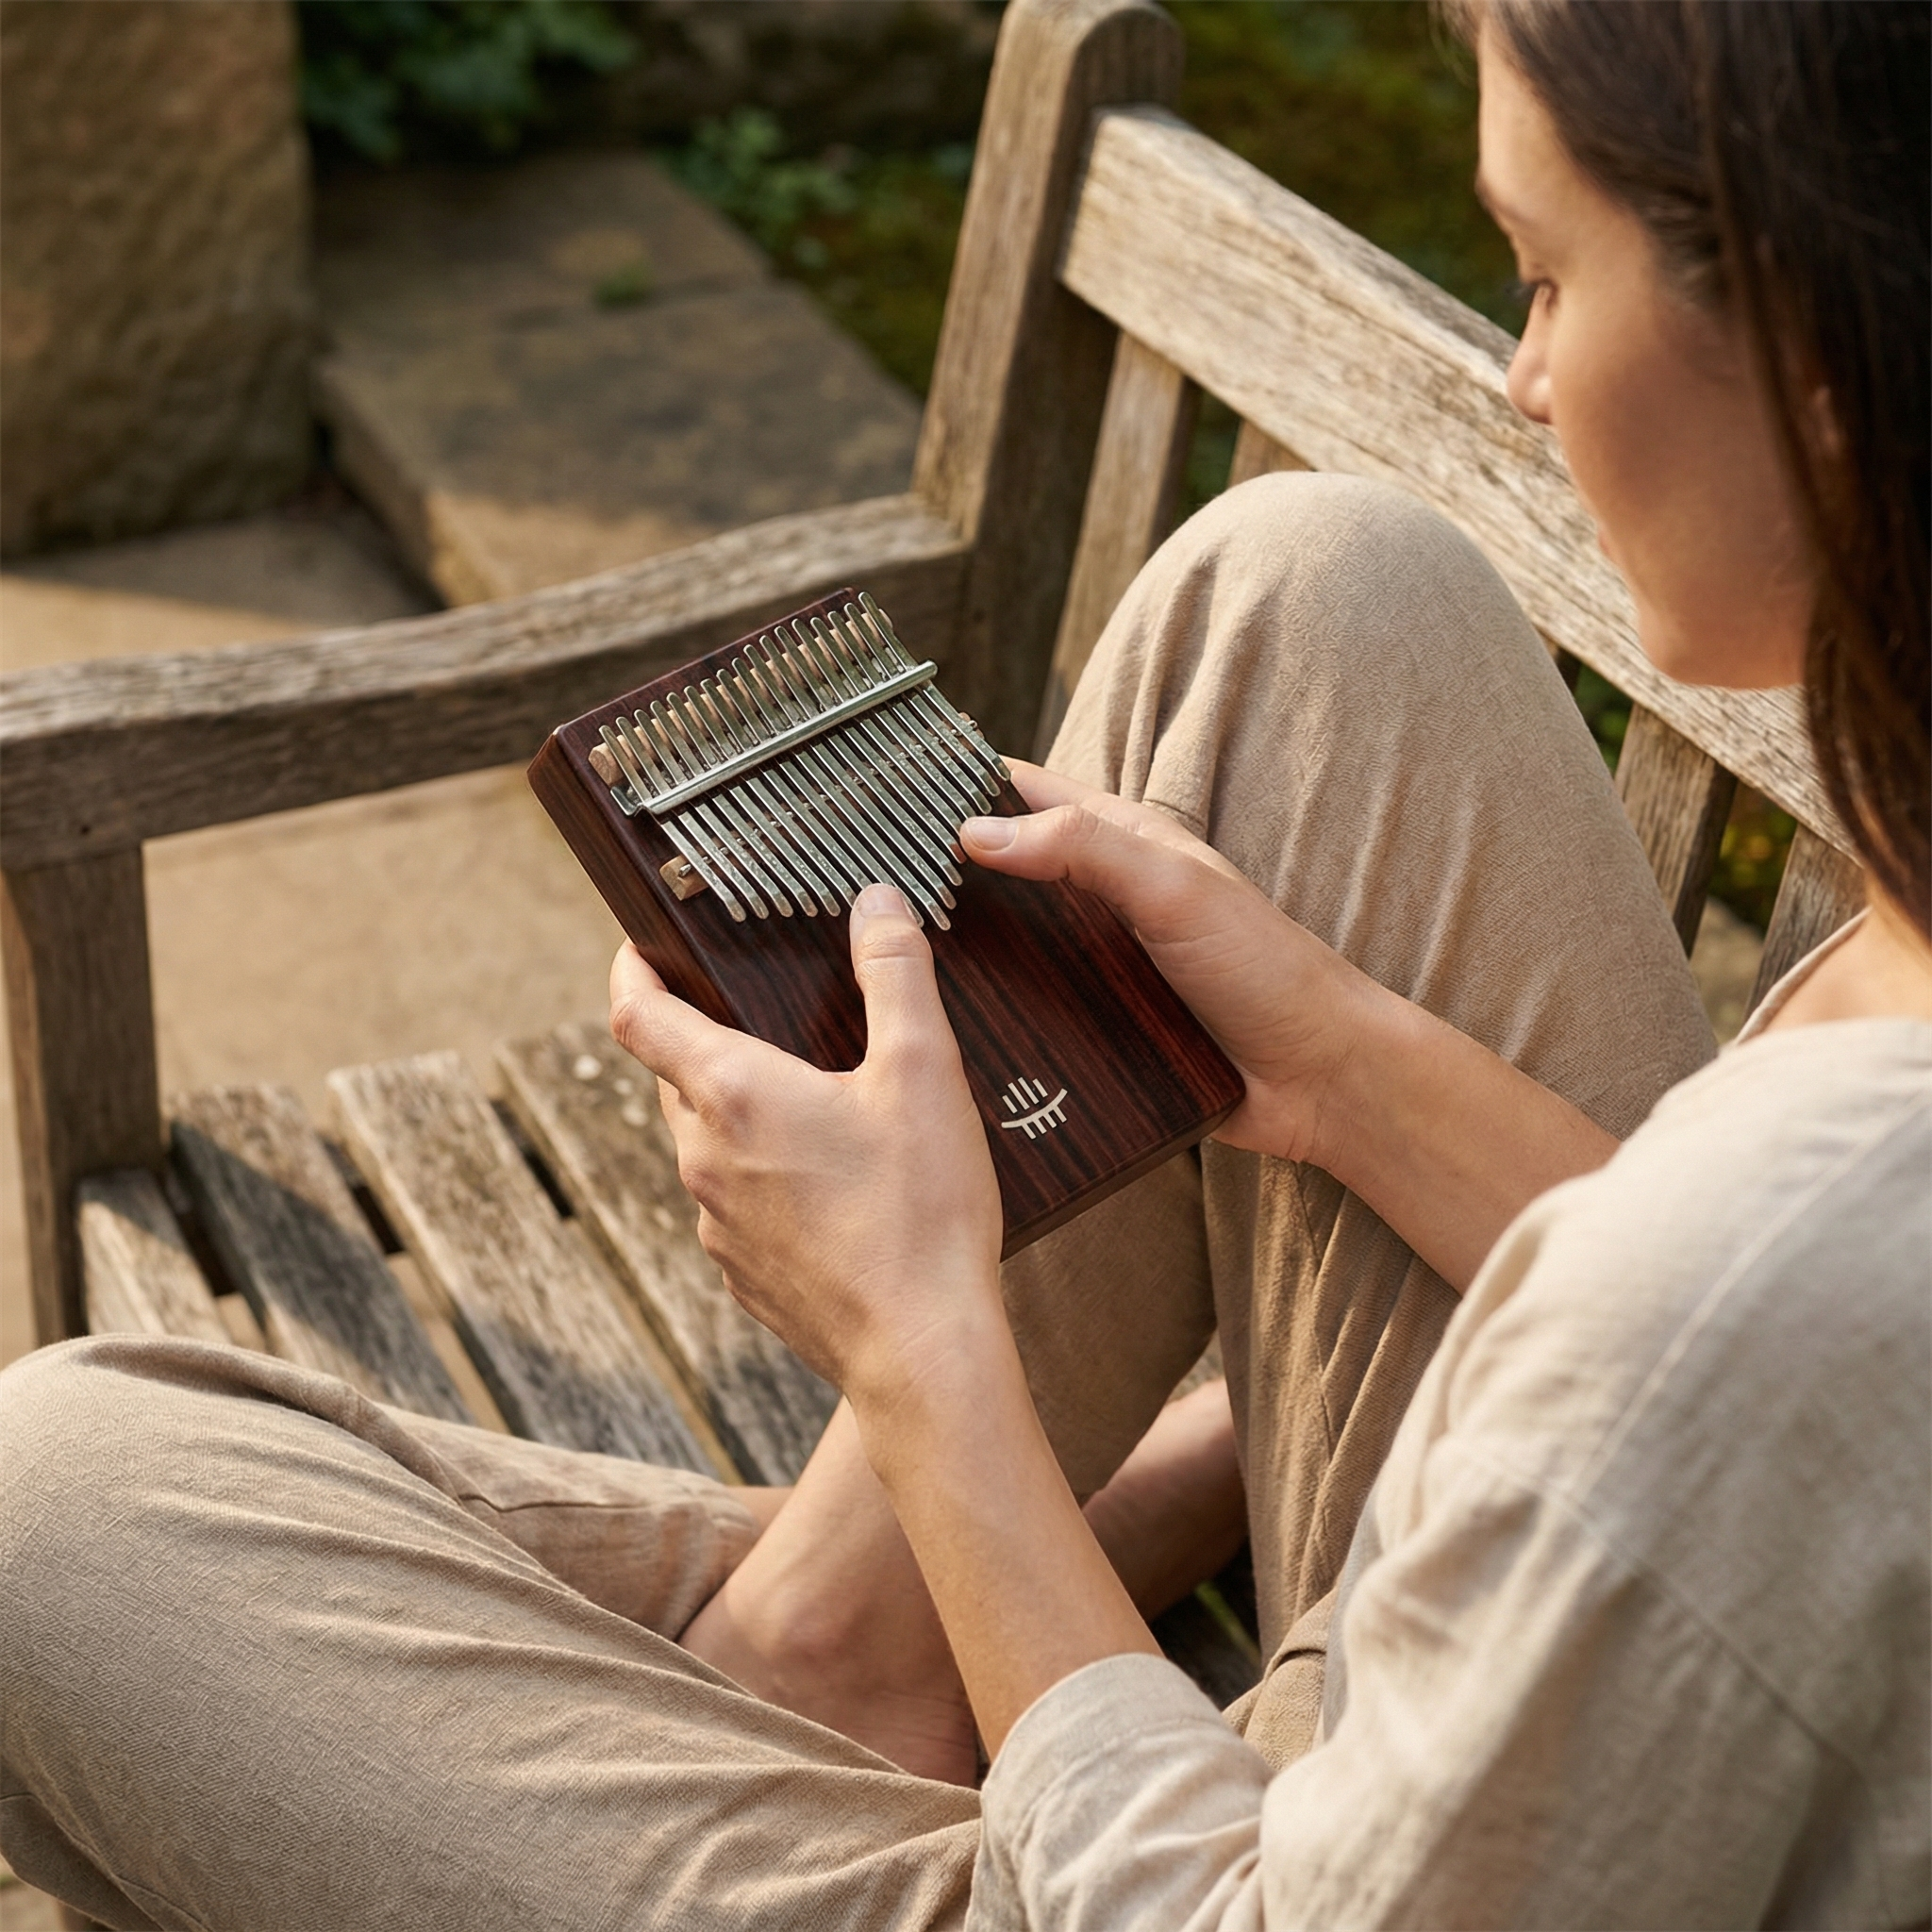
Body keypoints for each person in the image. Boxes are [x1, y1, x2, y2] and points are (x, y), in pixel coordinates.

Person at [2, 0, 1924, 1926]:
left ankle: (843, 1647)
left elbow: (1725, 1342)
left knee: (45, 1515)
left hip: (1233, 1871)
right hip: (1536, 1670)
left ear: (1817, 357)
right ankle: (848, 1643)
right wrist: (1329, 1060)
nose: (1518, 380)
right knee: (1317, 598)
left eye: (1539, 277)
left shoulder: (1766, 1255)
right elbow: (1808, 1411)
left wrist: (923, 1352)